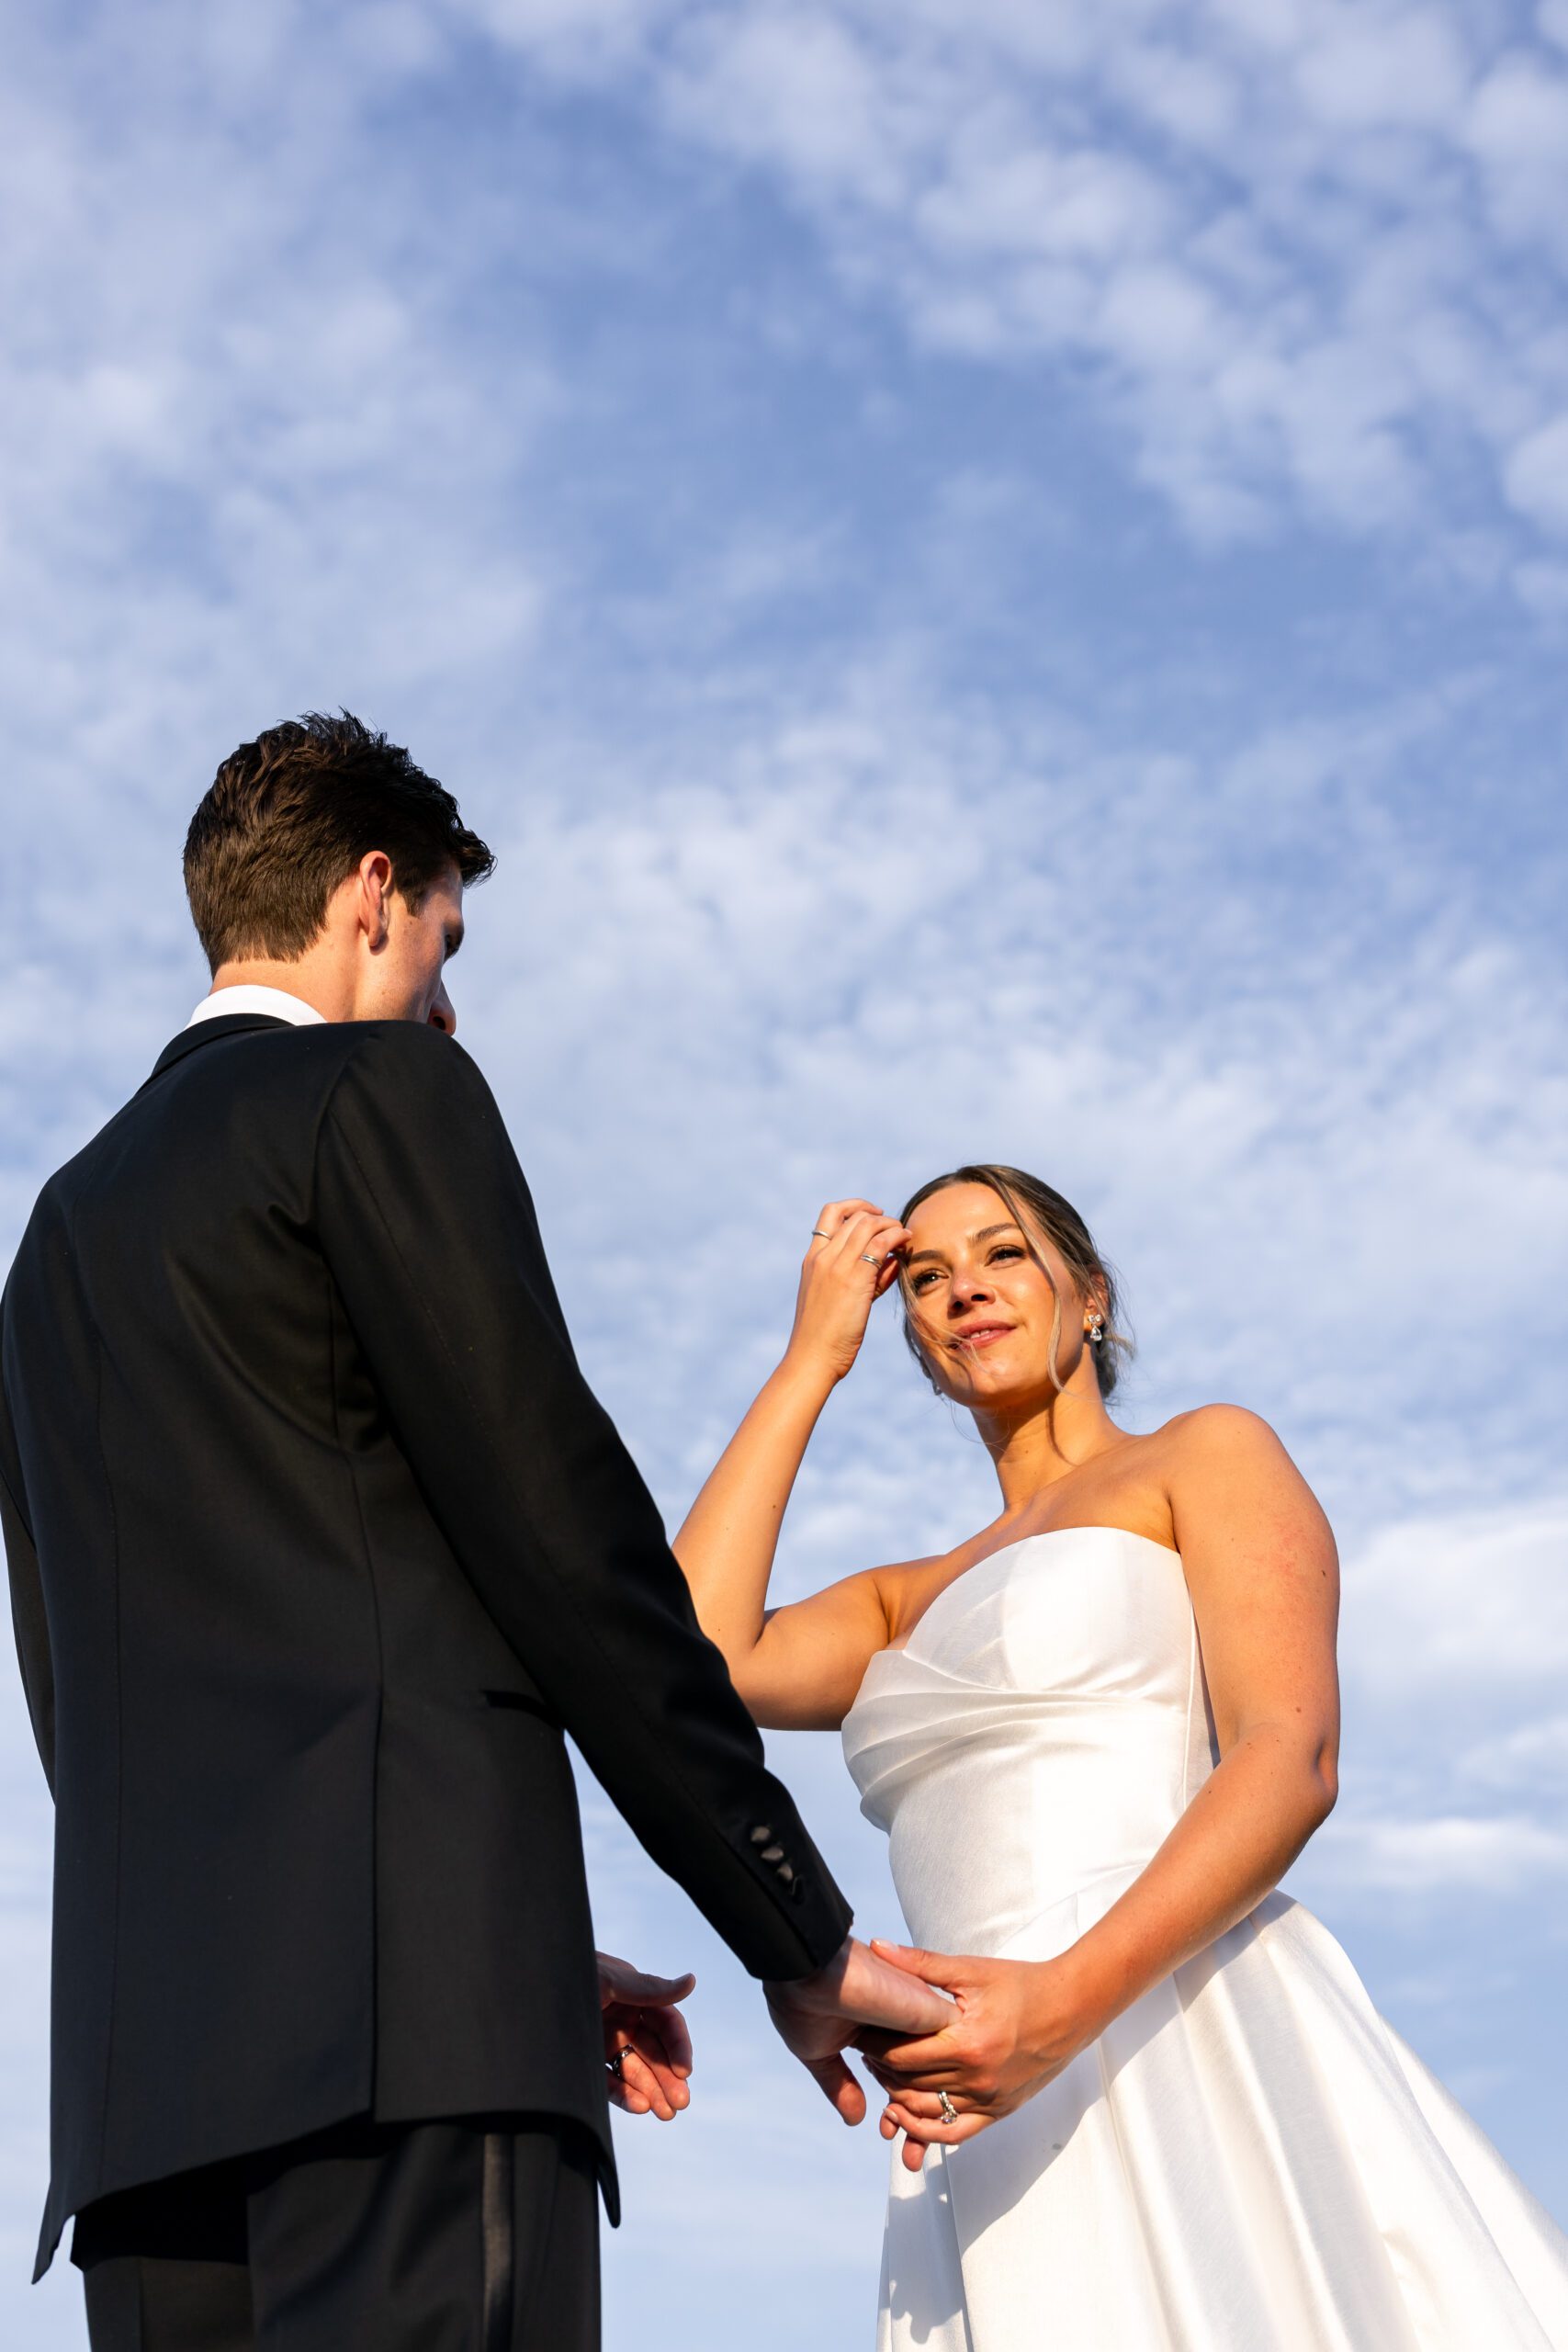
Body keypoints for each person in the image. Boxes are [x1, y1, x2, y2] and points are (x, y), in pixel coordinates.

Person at [0, 713, 947, 2352]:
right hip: (417, 2072)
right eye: (445, 936)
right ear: (374, 892)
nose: (450, 995)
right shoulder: (382, 1089)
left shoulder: (53, 1238)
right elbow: (565, 1545)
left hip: (144, 2096)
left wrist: (508, 1930)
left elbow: (82, 1703)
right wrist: (790, 1926)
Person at [672, 1167, 1568, 2348]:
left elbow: (1288, 1753)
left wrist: (1062, 2004)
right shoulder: (898, 1601)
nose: (963, 1292)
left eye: (1001, 1254)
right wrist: (810, 1359)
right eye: (926, 1278)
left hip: (1171, 2007)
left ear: (1088, 1293)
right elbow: (687, 1658)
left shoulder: (1202, 1456)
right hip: (975, 2090)